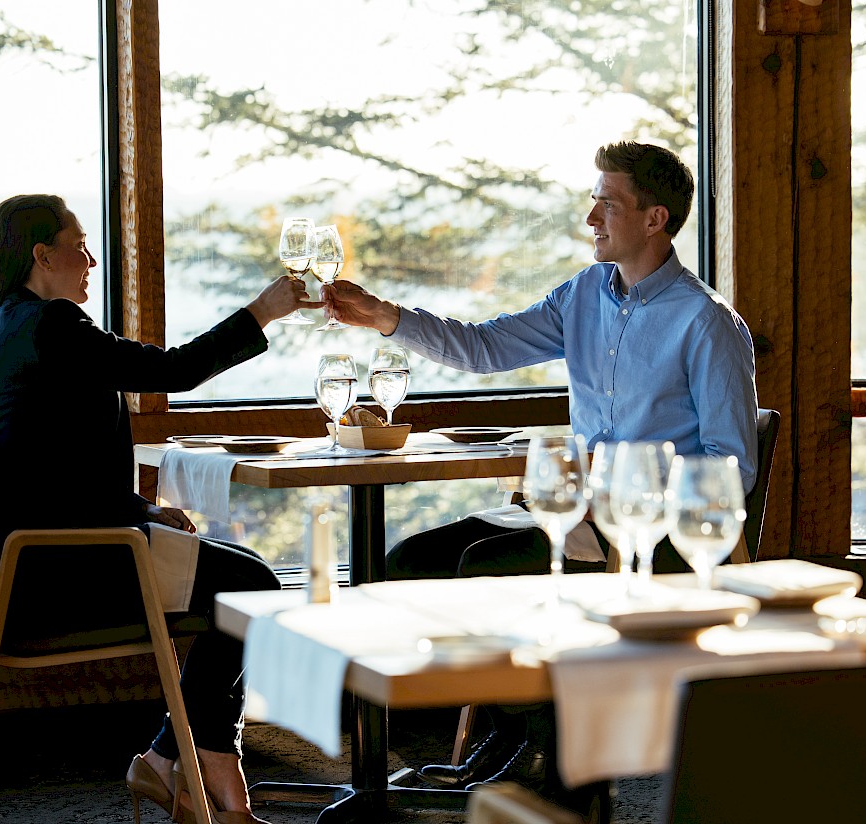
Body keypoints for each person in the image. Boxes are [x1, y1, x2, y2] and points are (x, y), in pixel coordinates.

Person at [323, 141, 758, 803]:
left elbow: (731, 466)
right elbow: (484, 346)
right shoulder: (584, 294)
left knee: (486, 570)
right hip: (573, 517)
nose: (590, 217)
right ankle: (515, 730)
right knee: (409, 562)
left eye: (606, 203)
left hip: (651, 534)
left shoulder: (707, 322)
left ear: (653, 219)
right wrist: (386, 316)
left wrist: (624, 497)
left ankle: (562, 759)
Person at [0, 194, 323, 824]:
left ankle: (172, 760)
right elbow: (174, 371)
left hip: (42, 558)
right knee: (254, 588)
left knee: (246, 576)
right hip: (66, 570)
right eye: (79, 246)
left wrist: (138, 508)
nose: (92, 259)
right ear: (41, 255)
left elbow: (44, 472)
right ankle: (200, 757)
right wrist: (263, 311)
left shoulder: (10, 331)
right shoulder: (53, 328)